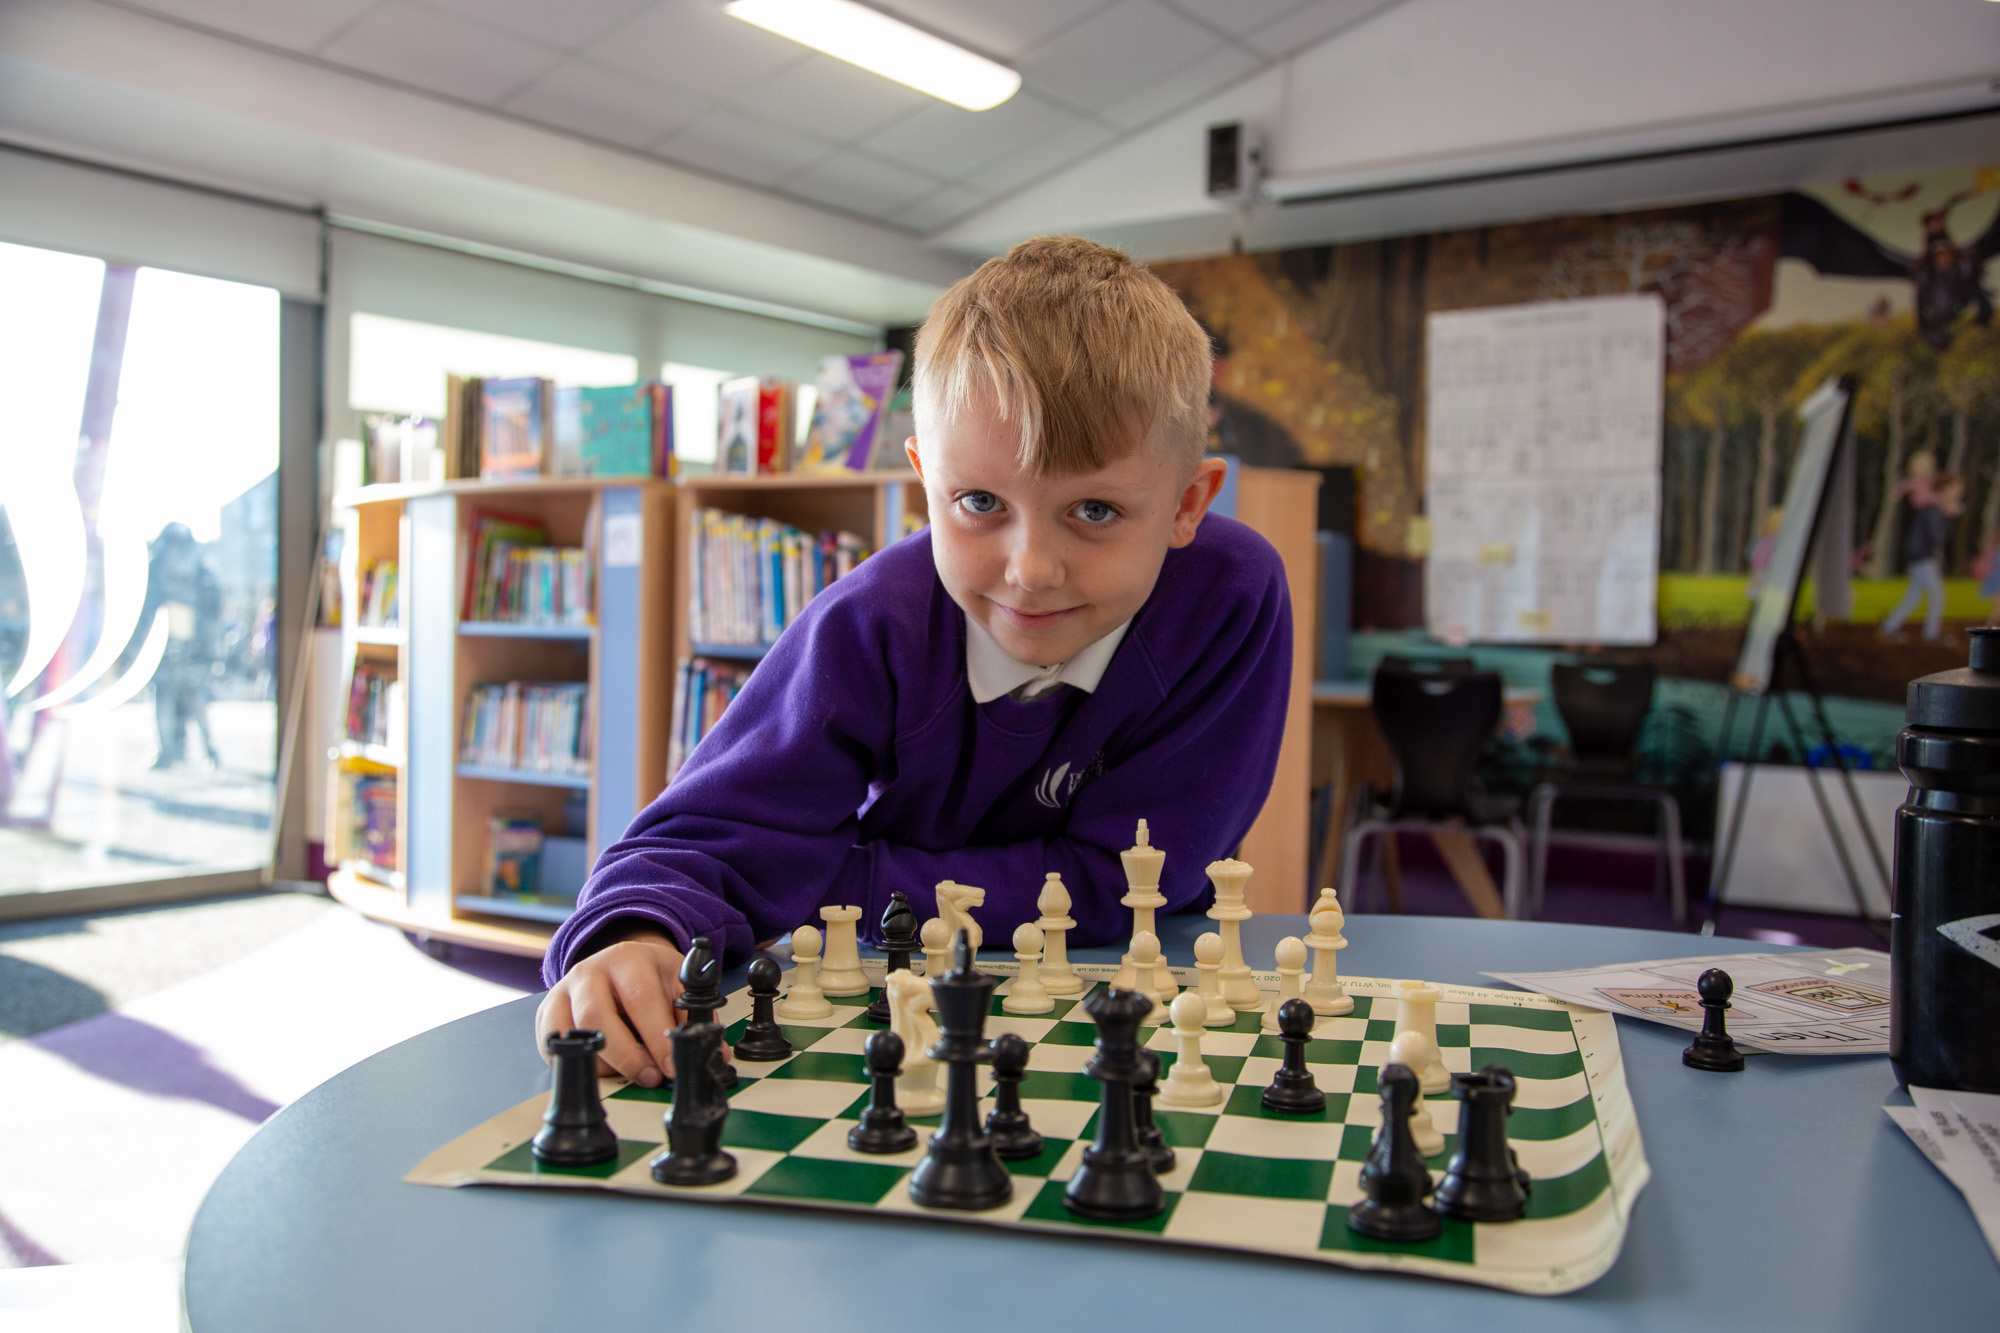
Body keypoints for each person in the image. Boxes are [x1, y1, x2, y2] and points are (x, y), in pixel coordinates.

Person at [536, 236, 1294, 1085]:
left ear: (1188, 503)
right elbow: (697, 840)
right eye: (979, 501)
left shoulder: (1230, 597)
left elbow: (1134, 878)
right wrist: (629, 939)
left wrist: (834, 876)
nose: (1030, 569)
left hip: (1135, 1003)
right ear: (924, 480)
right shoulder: (869, 624)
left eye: (1094, 509)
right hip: (892, 1010)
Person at [1881, 471, 1964, 643]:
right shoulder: (1933, 509)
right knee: (1937, 595)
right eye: (1956, 487)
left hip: (1917, 555)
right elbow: (1938, 537)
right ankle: (1931, 634)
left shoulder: (1934, 508)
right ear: (1945, 489)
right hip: (1922, 556)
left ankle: (1889, 627)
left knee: (1914, 595)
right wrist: (1949, 517)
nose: (1959, 491)